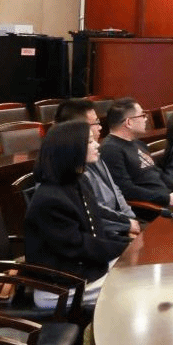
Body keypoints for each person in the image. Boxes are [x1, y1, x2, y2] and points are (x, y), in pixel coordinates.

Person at [25, 120, 131, 307]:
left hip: (86, 270)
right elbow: (80, 246)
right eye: (89, 142)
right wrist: (126, 248)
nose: (97, 144)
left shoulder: (79, 181)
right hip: (62, 286)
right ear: (72, 149)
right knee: (135, 288)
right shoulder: (50, 199)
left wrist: (128, 244)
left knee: (141, 269)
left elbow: (96, 230)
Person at [54, 98, 138, 239]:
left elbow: (116, 192)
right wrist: (126, 226)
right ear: (77, 128)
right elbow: (90, 213)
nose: (100, 127)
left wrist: (131, 220)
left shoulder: (94, 154)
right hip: (101, 235)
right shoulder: (65, 171)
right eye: (96, 123)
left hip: (121, 226)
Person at [99, 98, 173, 212]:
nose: (146, 119)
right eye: (142, 115)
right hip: (153, 208)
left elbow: (157, 172)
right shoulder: (110, 149)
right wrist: (166, 199)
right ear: (129, 122)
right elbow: (126, 190)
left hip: (169, 200)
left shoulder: (139, 143)